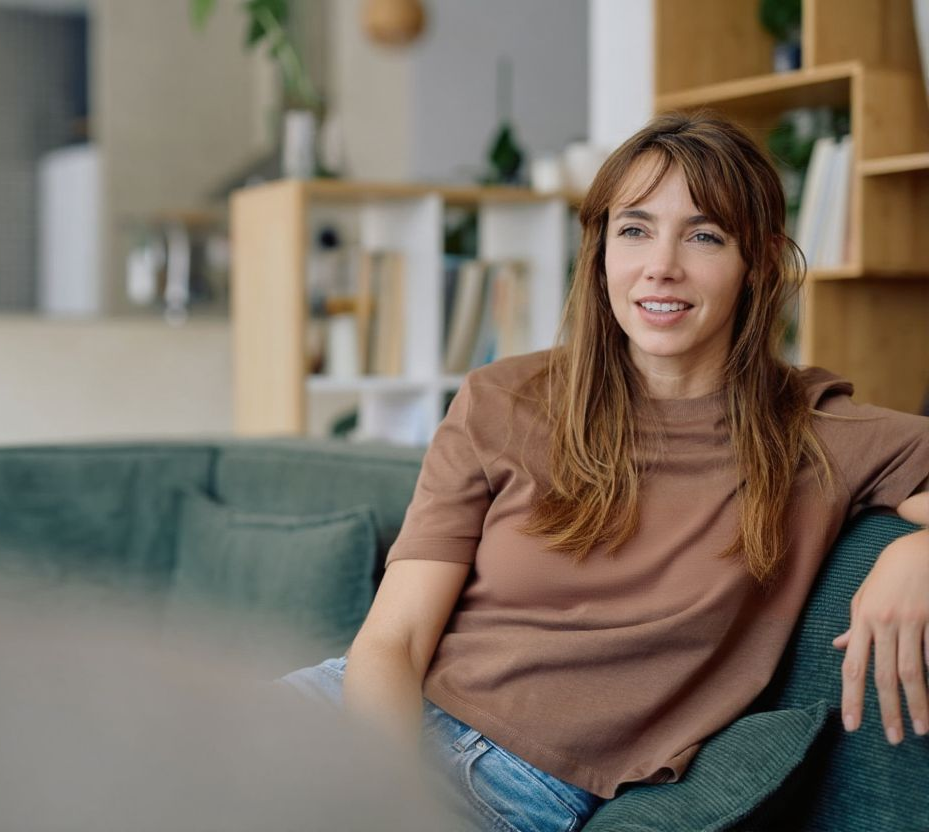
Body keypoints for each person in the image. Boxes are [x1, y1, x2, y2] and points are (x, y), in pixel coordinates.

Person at [278, 110, 929, 832]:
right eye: (635, 229)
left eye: (705, 235)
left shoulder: (819, 433)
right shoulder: (502, 400)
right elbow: (392, 643)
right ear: (600, 251)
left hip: (516, 795)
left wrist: (918, 550)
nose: (661, 265)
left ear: (759, 262)